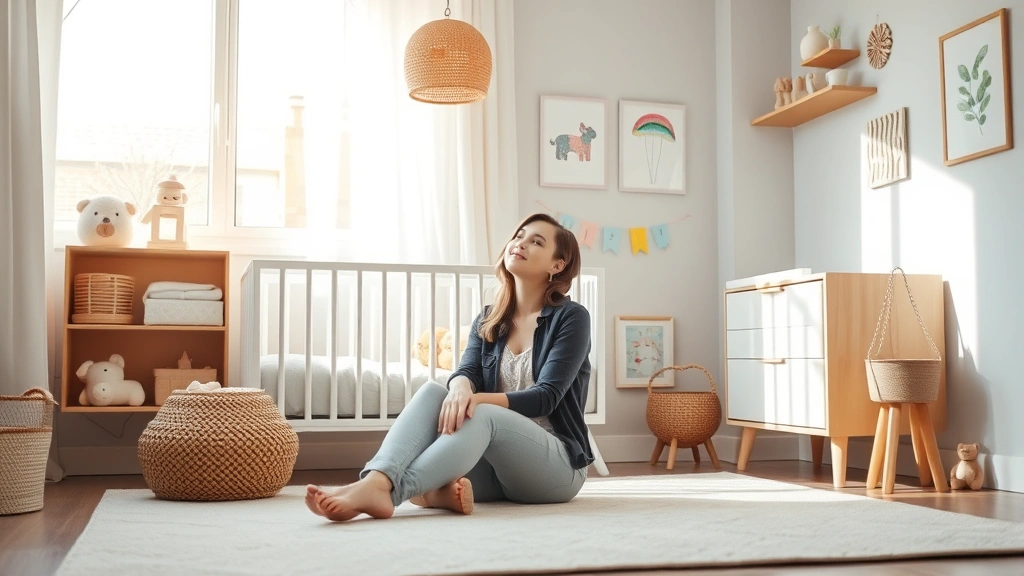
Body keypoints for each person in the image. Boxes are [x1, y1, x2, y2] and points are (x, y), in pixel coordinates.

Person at [305, 213, 594, 521]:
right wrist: (459, 387)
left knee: (482, 412)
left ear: (557, 265)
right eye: (519, 236)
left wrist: (477, 399)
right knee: (435, 391)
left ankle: (392, 492)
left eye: (536, 241)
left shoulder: (572, 317)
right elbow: (466, 371)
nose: (520, 243)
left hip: (555, 470)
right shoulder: (488, 319)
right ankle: (387, 482)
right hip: (495, 471)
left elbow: (546, 396)